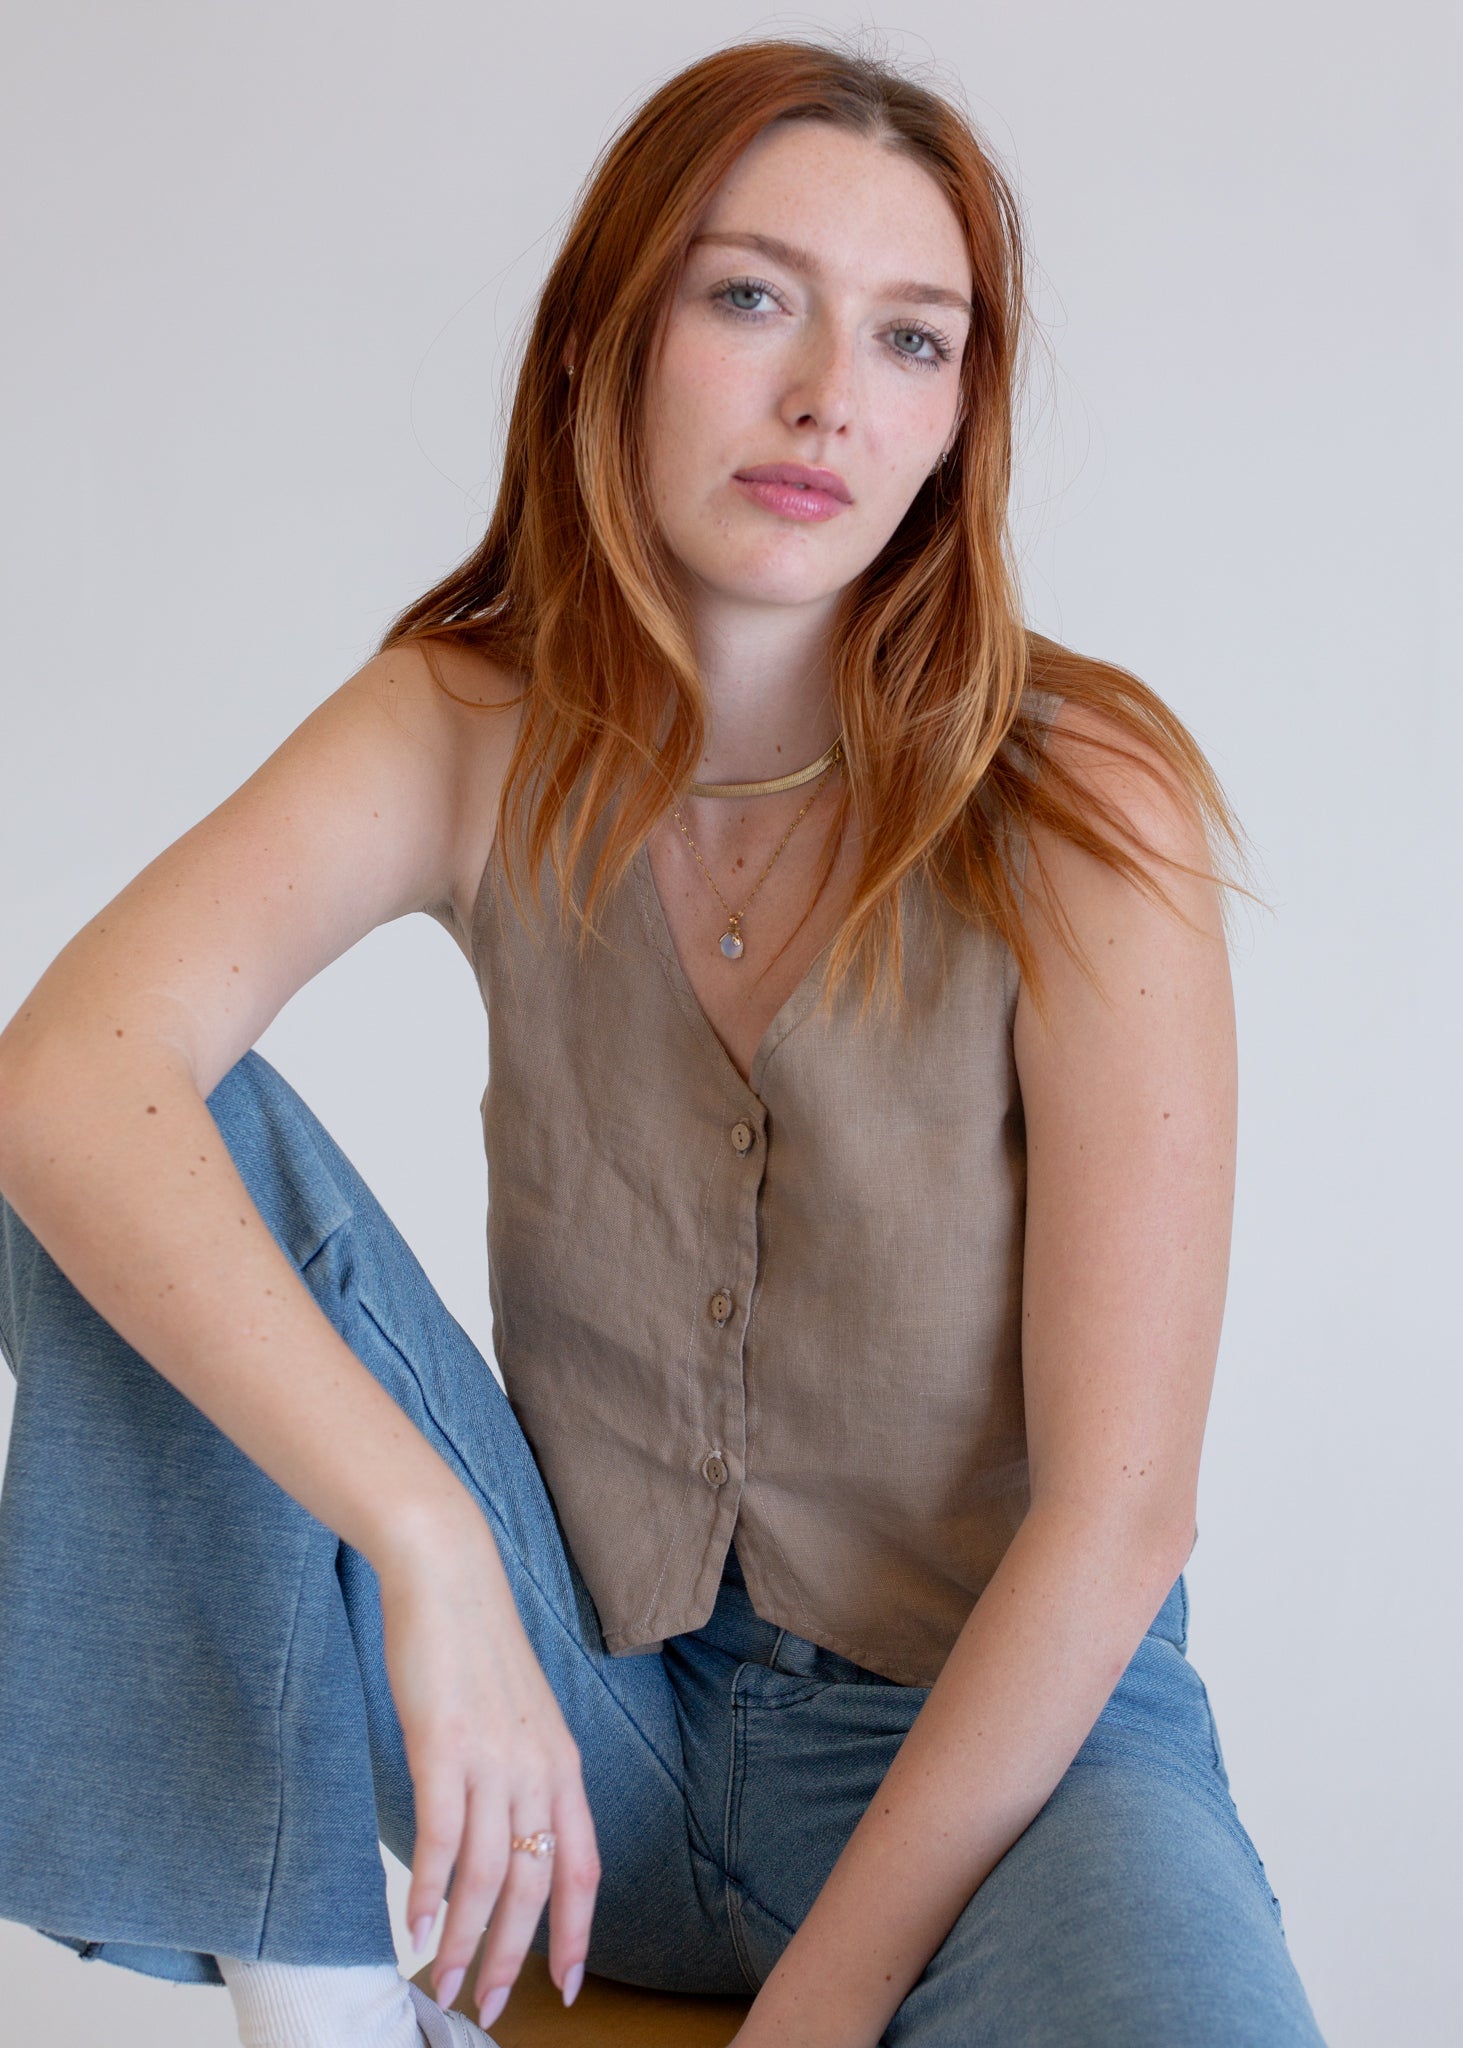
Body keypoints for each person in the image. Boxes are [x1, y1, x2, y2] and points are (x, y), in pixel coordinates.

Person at [0, 33, 1329, 2048]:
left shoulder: (1078, 797)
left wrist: (811, 2018)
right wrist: (432, 1545)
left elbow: (1121, 1514)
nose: (826, 398)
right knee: (144, 1139)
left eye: (914, 339)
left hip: (1002, 1776)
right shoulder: (466, 723)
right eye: (750, 296)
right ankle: (327, 2004)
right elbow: (63, 1076)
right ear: (606, 338)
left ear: (964, 413)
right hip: (575, 1719)